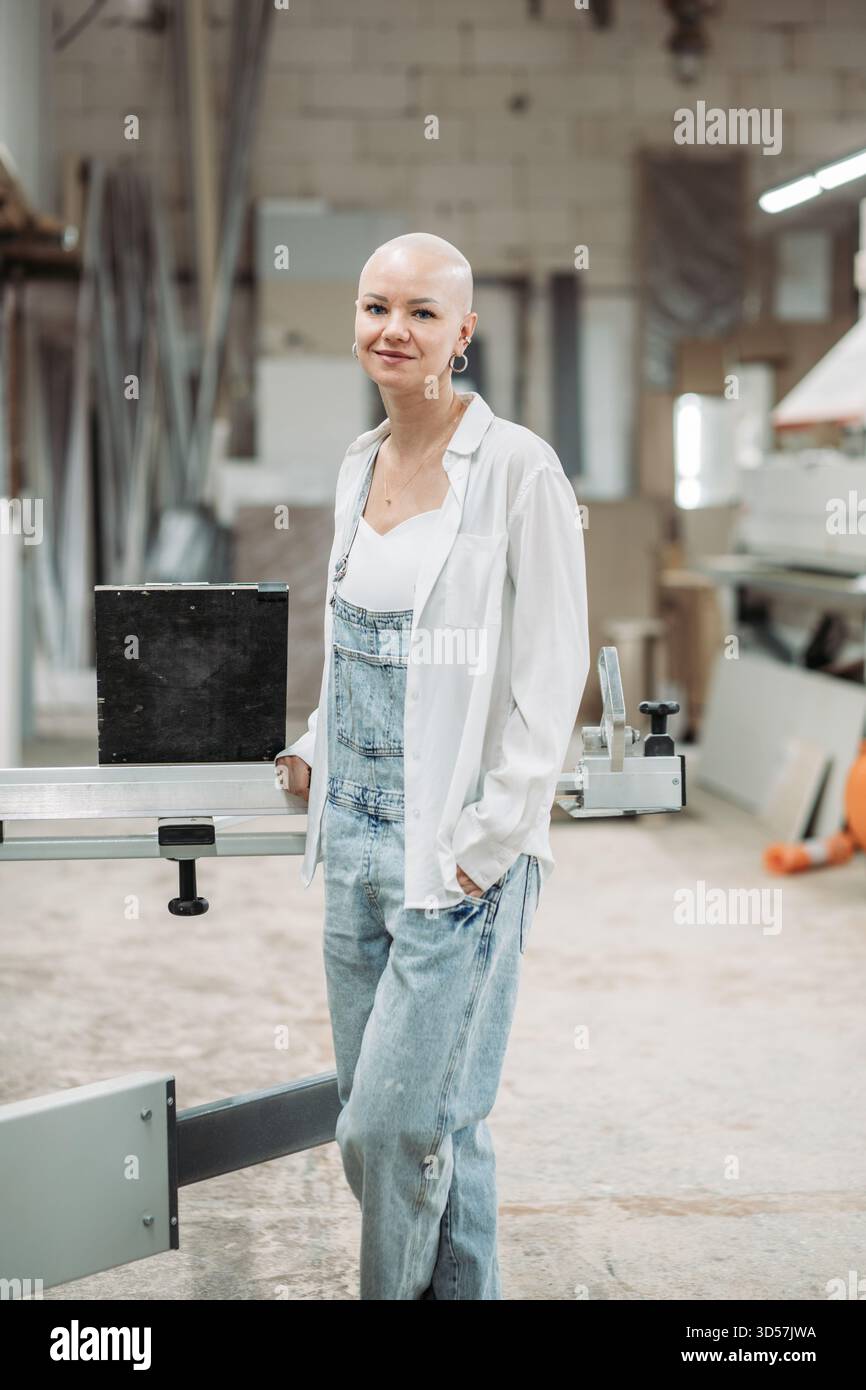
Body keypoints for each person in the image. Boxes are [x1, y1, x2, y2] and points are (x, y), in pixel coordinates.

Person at [275, 231, 590, 1299]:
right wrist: (315, 743)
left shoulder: (516, 470)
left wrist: (483, 847)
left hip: (451, 859)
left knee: (383, 1130)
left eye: (419, 312)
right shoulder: (356, 464)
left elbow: (550, 672)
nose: (391, 330)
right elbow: (352, 641)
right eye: (374, 307)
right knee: (440, 1127)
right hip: (353, 840)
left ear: (463, 333)